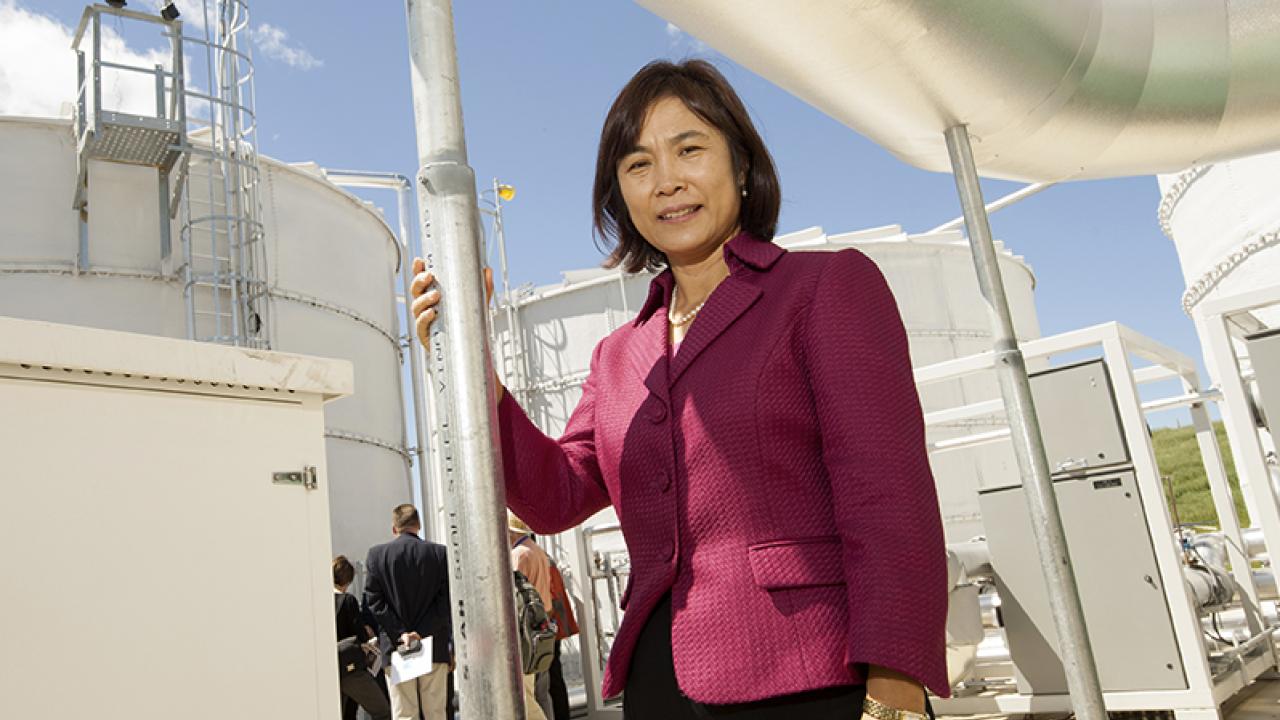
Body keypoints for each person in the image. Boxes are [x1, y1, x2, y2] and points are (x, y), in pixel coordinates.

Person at [410, 59, 948, 719]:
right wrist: (474, 369)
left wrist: (895, 689)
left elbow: (887, 495)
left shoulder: (822, 289)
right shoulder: (617, 355)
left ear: (742, 166)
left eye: (689, 149)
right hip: (658, 683)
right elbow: (554, 497)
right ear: (620, 197)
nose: (665, 181)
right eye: (637, 165)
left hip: (809, 677)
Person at [364, 505, 452, 720]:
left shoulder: (377, 555)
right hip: (433, 644)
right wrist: (420, 633)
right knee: (435, 713)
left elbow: (374, 601)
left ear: (394, 528)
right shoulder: (439, 554)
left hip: (397, 646)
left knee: (404, 714)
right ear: (419, 525)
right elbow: (445, 603)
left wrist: (402, 633)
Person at [334, 556, 391, 720]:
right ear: (349, 580)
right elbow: (360, 636)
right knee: (382, 711)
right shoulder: (348, 600)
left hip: (332, 666)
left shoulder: (322, 601)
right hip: (351, 666)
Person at [509, 514, 554, 720]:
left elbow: (514, 592)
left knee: (526, 693)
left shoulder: (519, 554)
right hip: (542, 621)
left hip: (525, 626)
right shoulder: (537, 551)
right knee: (541, 689)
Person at [546, 559, 579, 720]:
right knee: (554, 678)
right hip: (553, 625)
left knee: (549, 680)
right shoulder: (544, 558)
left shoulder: (528, 556)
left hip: (547, 625)